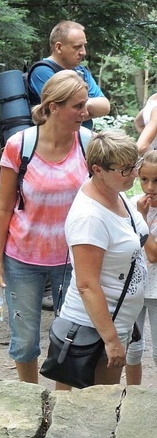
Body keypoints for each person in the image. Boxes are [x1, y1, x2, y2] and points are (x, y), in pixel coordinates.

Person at [0, 70, 91, 383]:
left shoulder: (87, 143)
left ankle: (62, 406)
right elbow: (3, 207)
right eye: (78, 106)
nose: (85, 113)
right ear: (54, 107)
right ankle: (31, 405)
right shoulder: (20, 145)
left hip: (74, 259)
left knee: (71, 337)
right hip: (22, 258)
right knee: (25, 339)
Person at [57, 131, 147, 389]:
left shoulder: (116, 192)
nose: (133, 175)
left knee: (101, 405)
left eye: (135, 166)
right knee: (89, 407)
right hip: (92, 329)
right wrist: (111, 340)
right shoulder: (89, 218)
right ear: (97, 169)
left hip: (116, 321)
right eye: (125, 170)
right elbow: (87, 284)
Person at [28, 20, 110, 129]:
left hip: (83, 140)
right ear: (58, 47)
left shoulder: (81, 71)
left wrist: (79, 105)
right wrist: (90, 110)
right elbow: (59, 114)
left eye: (84, 46)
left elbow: (105, 106)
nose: (83, 52)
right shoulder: (42, 71)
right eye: (77, 47)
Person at [128, 150, 157, 384]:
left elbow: (153, 254)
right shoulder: (130, 206)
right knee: (132, 347)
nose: (150, 187)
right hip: (134, 287)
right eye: (144, 179)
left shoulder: (138, 211)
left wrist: (142, 218)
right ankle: (132, 397)